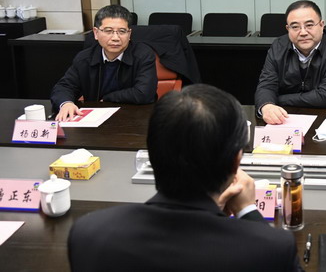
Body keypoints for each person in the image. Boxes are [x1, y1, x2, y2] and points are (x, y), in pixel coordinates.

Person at [68, 84, 300, 272]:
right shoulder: (272, 249)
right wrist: (248, 212)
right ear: (235, 162)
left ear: (152, 153)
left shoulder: (89, 233)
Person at [51, 4, 157, 121]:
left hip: (134, 119)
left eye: (122, 31)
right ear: (96, 33)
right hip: (95, 120)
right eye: (108, 31)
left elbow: (144, 93)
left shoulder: (142, 55)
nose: (115, 38)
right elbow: (64, 86)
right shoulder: (85, 58)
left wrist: (107, 98)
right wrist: (66, 103)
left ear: (129, 34)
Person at [255, 0, 326, 124]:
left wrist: (279, 100)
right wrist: (267, 105)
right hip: (286, 117)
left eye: (309, 25)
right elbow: (266, 84)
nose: (303, 32)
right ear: (288, 29)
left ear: (321, 25)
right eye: (295, 27)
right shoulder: (278, 47)